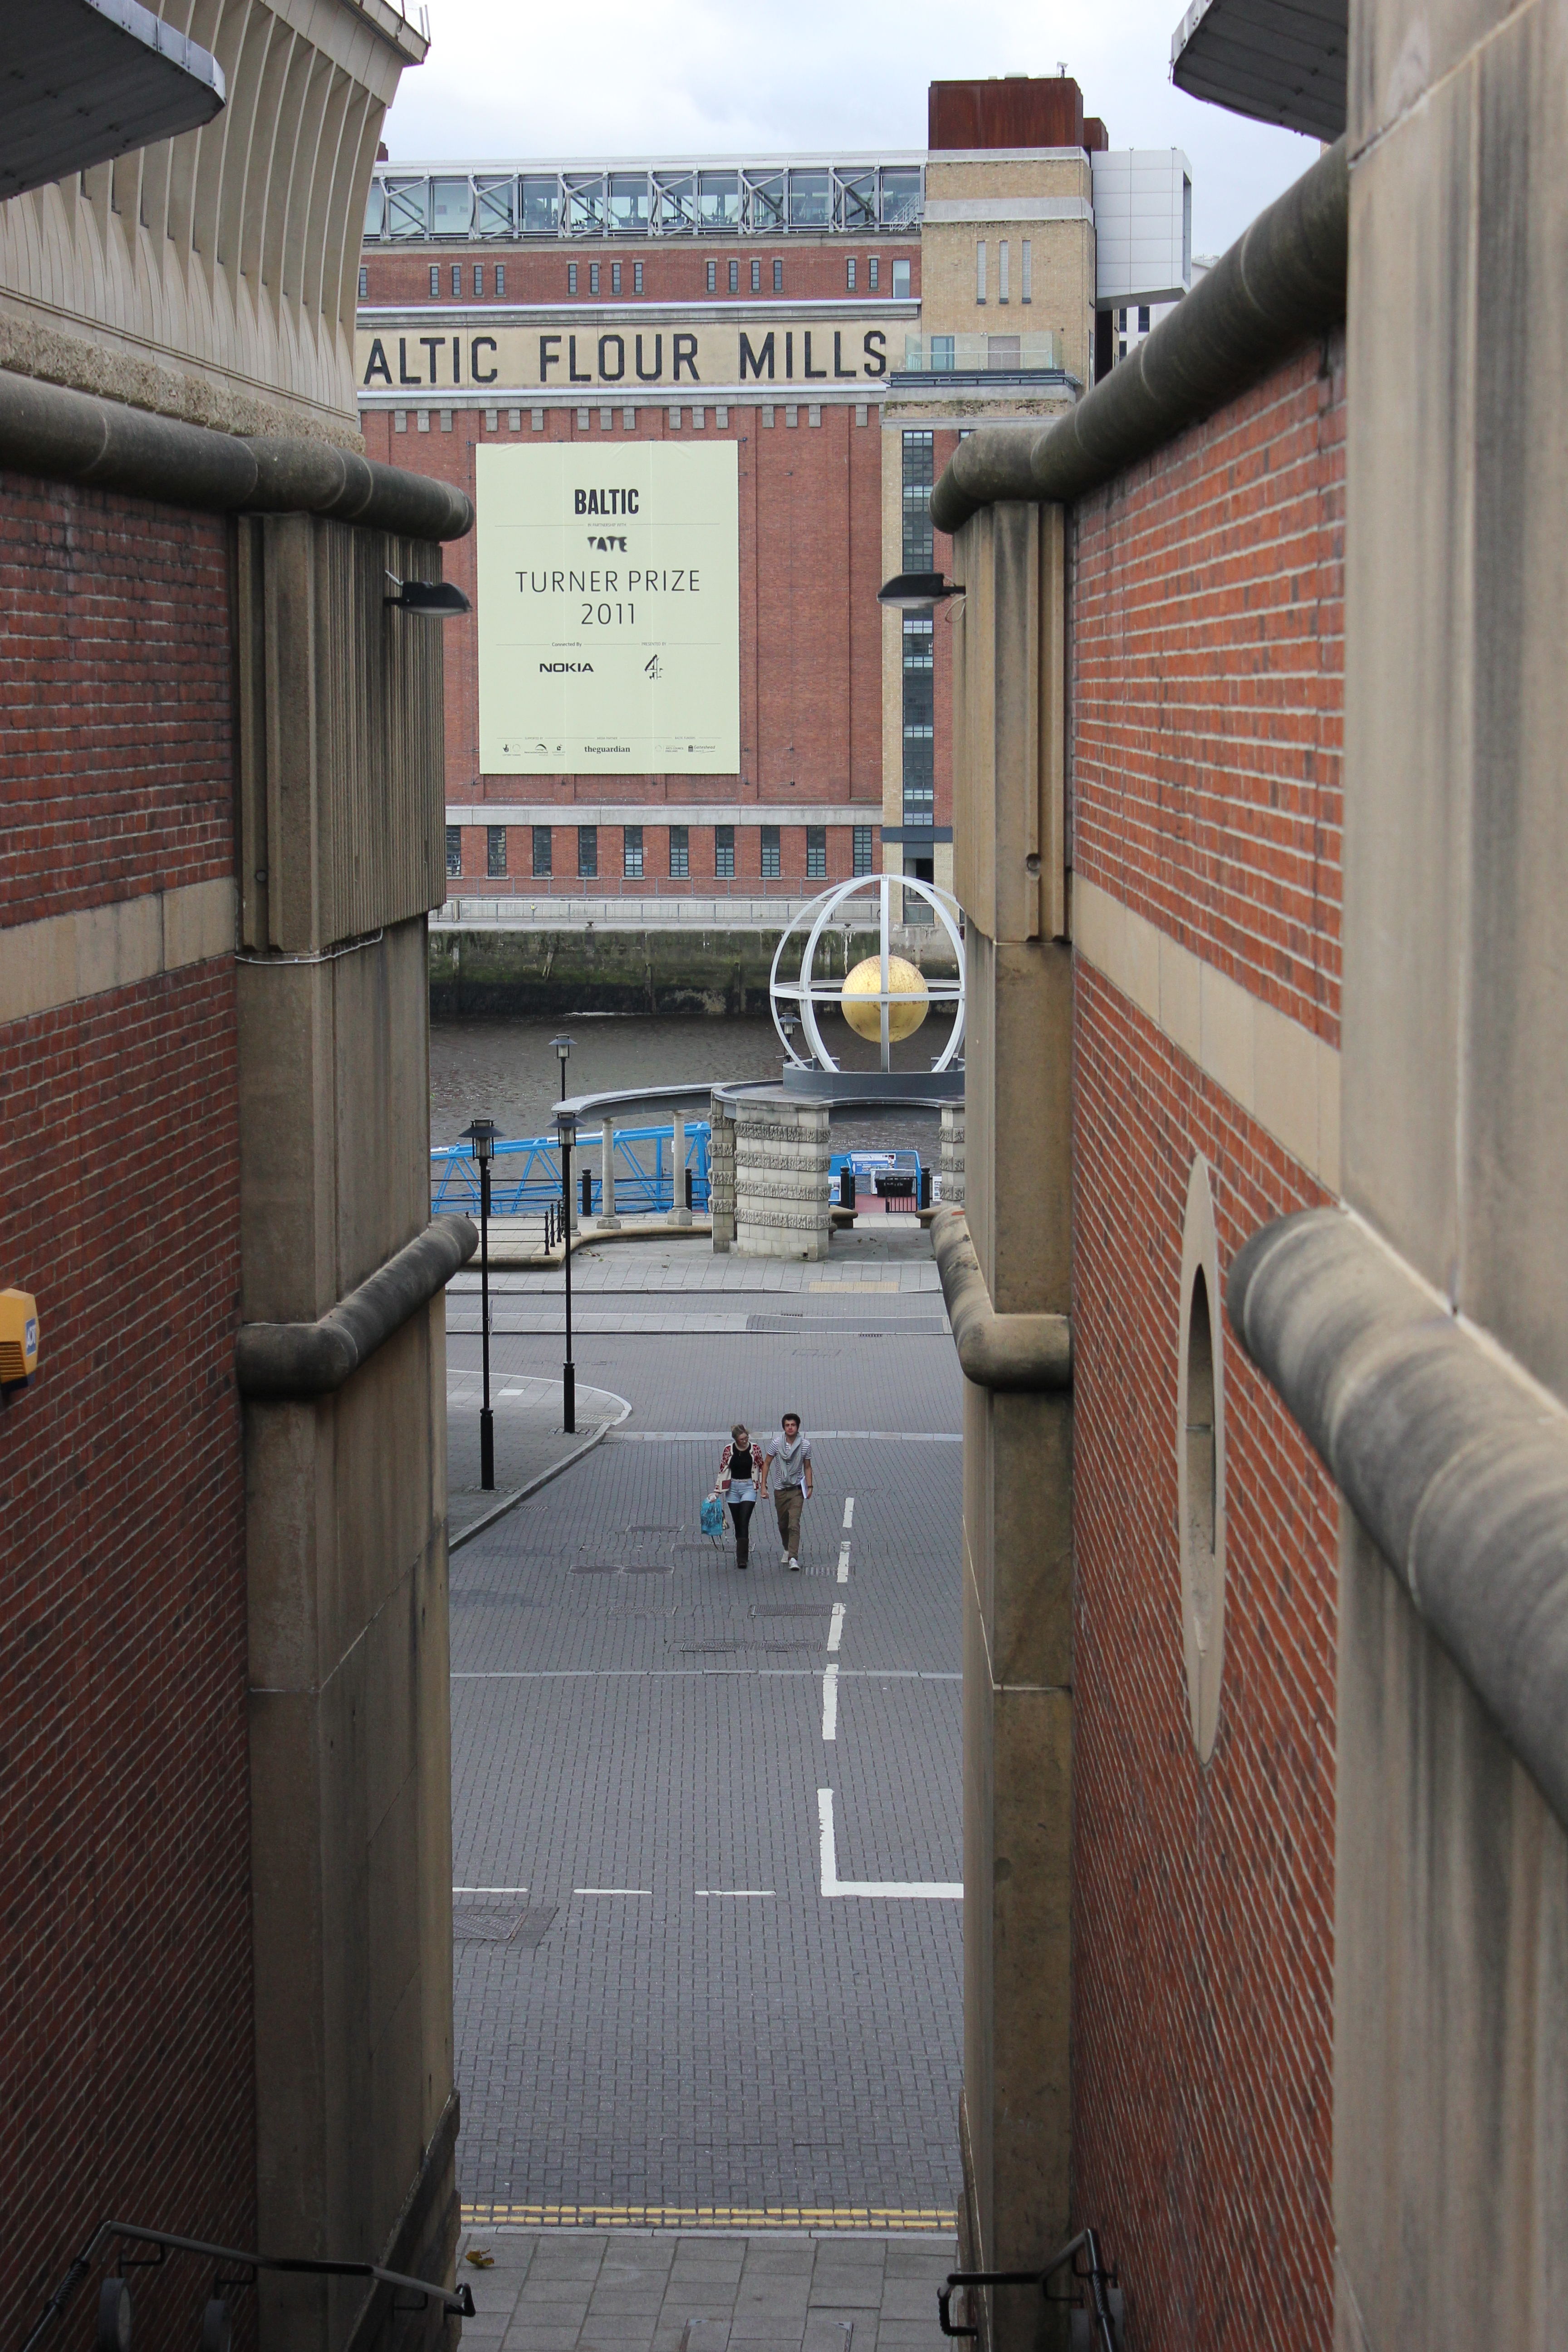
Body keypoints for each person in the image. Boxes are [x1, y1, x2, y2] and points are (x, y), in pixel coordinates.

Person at [761, 1411, 812, 1570]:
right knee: (783, 1524)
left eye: (793, 1425)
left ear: (798, 1427)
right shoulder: (777, 1444)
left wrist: (810, 1486)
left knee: (794, 1524)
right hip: (780, 1490)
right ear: (784, 1428)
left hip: (797, 1490)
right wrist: (764, 1486)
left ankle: (793, 1558)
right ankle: (786, 1548)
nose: (790, 1428)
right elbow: (767, 1463)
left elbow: (807, 1466)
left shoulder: (805, 1445)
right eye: (787, 1425)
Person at [715, 1422, 762, 1571]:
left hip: (749, 1487)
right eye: (742, 1439)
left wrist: (763, 1487)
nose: (745, 1440)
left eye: (746, 1437)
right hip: (733, 1489)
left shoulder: (755, 1449)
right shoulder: (728, 1450)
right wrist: (717, 1491)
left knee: (744, 1519)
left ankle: (742, 1558)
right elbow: (723, 1469)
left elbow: (761, 1467)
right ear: (736, 1440)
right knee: (737, 1522)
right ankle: (741, 1548)